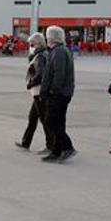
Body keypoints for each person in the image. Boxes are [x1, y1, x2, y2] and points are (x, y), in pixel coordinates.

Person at [40, 25, 76, 162]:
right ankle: (57, 150)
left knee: (51, 120)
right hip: (62, 92)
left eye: (47, 36)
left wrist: (53, 91)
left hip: (59, 93)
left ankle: (67, 147)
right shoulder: (58, 50)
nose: (46, 38)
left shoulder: (59, 52)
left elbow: (58, 74)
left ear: (51, 38)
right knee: (59, 121)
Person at [16, 33, 49, 151]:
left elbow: (41, 74)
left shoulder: (40, 56)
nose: (30, 46)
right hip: (36, 92)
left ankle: (50, 144)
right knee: (32, 118)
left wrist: (31, 83)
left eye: (32, 44)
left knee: (44, 119)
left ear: (38, 43)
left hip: (38, 91)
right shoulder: (40, 54)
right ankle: (26, 142)